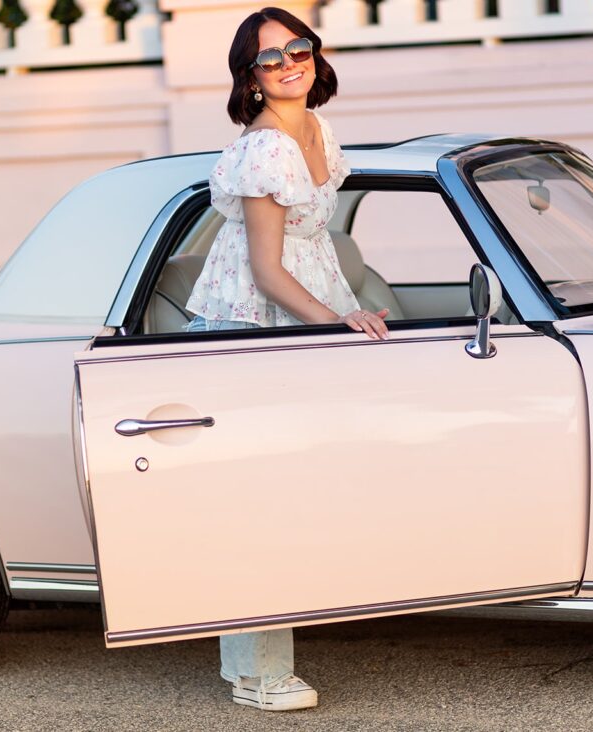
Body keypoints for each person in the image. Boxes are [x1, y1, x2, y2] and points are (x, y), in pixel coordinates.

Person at [181, 5, 390, 713]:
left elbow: (314, 245)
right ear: (251, 78)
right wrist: (338, 319)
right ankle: (257, 672)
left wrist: (351, 302)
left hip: (298, 308)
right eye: (269, 58)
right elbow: (269, 271)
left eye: (296, 47)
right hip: (246, 323)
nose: (288, 62)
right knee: (257, 500)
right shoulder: (265, 149)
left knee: (297, 488)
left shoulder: (320, 131)